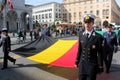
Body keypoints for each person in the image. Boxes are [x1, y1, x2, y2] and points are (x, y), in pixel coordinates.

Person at [75, 13, 104, 80]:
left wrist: (100, 66)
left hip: (92, 66)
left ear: (93, 23)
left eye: (89, 22)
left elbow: (100, 53)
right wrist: (77, 61)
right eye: (85, 23)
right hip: (82, 66)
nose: (87, 24)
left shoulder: (98, 37)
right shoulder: (81, 35)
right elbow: (79, 50)